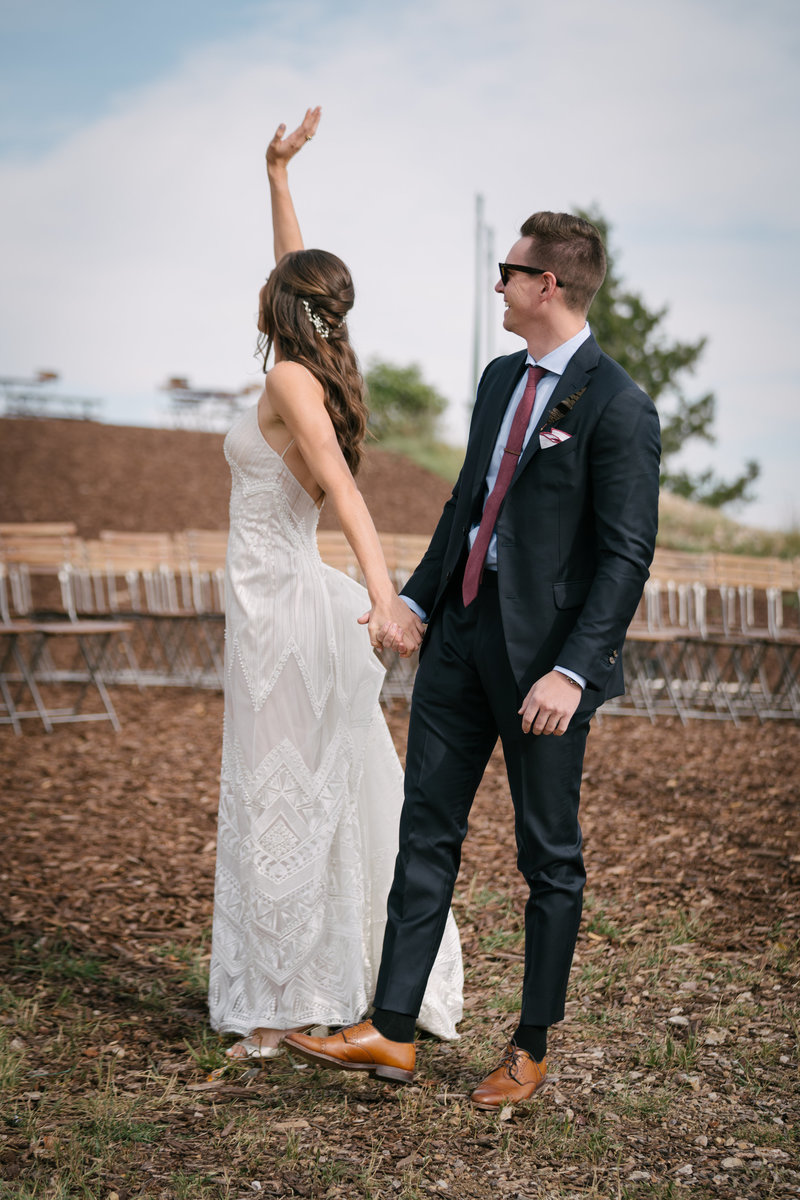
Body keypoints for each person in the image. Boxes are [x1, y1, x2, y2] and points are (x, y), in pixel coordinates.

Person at [285, 210, 661, 1104]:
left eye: (509, 271)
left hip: (546, 669)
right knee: (426, 831)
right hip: (459, 635)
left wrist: (574, 671)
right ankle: (392, 1028)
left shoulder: (619, 404)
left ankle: (530, 1044)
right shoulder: (499, 379)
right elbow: (469, 502)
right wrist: (415, 597)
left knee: (548, 858)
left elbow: (624, 555)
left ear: (548, 286)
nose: (497, 284)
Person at [208, 107, 463, 1059]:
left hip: (285, 613)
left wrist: (388, 596)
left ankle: (278, 1010)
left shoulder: (287, 385)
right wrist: (277, 176)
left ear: (281, 306)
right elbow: (292, 272)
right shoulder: (304, 367)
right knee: (320, 789)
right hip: (274, 605)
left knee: (283, 797)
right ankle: (346, 976)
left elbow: (349, 494)